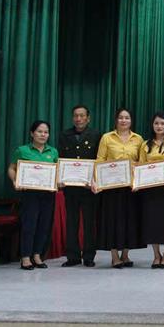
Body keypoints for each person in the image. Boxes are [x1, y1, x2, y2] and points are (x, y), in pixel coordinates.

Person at [95, 108, 145, 268]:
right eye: (121, 118)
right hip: (111, 186)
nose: (124, 120)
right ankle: (115, 256)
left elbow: (142, 161)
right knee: (112, 220)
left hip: (131, 187)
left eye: (127, 118)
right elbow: (100, 160)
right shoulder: (107, 137)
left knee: (129, 220)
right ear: (116, 120)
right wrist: (98, 181)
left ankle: (125, 255)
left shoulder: (138, 139)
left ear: (131, 121)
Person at [8, 120, 58, 270]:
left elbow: (56, 172)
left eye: (46, 132)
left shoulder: (53, 152)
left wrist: (58, 182)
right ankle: (25, 257)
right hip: (30, 194)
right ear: (32, 133)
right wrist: (15, 181)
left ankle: (37, 255)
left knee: (44, 225)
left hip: (48, 194)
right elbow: (12, 168)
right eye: (39, 131)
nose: (43, 135)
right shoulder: (22, 150)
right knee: (29, 225)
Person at [57, 105, 101, 267]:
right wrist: (60, 178)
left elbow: (99, 159)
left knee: (89, 222)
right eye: (76, 116)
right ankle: (72, 256)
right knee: (72, 222)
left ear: (88, 118)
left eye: (82, 116)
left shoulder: (96, 135)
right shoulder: (64, 135)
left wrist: (95, 180)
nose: (78, 119)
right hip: (70, 186)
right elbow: (61, 158)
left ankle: (89, 256)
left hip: (89, 187)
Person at [137, 112, 164, 269]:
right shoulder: (145, 144)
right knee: (152, 221)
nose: (159, 126)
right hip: (150, 188)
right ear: (152, 125)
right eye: (156, 123)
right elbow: (140, 165)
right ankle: (156, 255)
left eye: (162, 123)